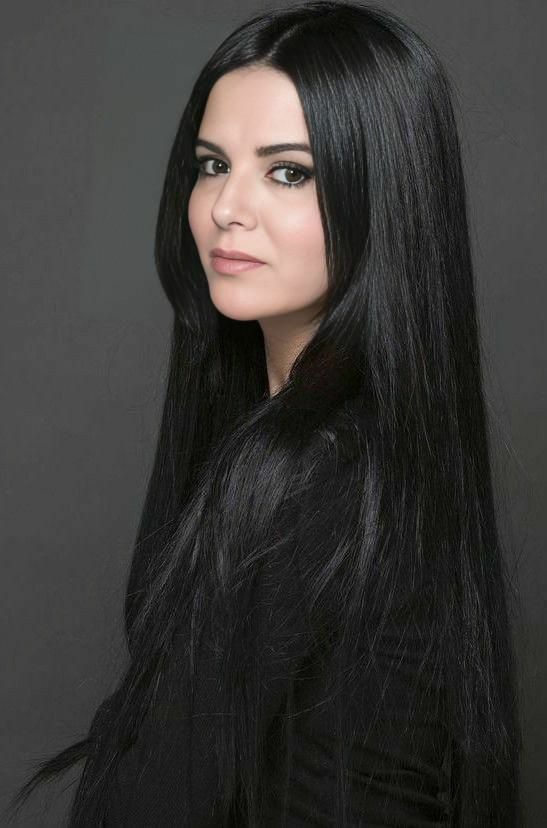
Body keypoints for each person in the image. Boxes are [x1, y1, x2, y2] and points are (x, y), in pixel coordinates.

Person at [7, 1, 522, 825]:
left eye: (288, 172)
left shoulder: (312, 471)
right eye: (212, 165)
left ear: (383, 196)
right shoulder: (375, 450)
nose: (225, 207)